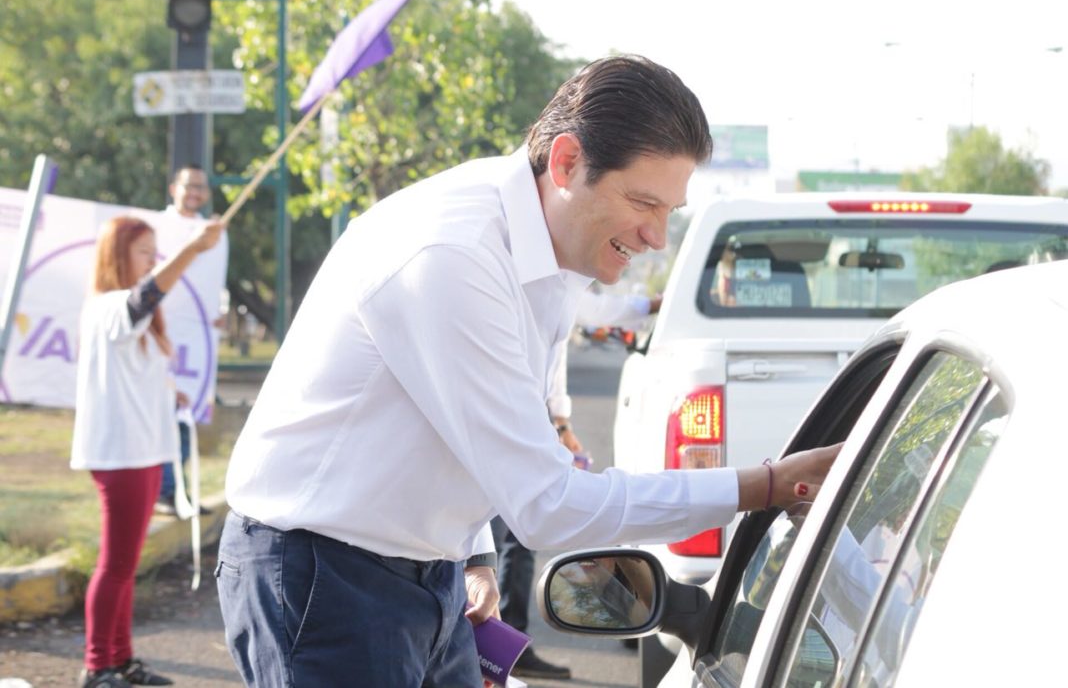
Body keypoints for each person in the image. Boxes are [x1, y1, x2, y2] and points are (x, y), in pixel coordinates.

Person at [218, 54, 840, 687]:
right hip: (324, 576)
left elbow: (477, 429)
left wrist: (475, 550)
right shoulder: (454, 255)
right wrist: (762, 486)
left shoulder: (553, 235)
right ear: (567, 162)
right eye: (643, 203)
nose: (656, 237)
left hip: (423, 568)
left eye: (669, 212)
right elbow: (545, 503)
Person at [71, 215, 225, 688]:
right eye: (143, 251)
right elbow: (145, 298)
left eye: (155, 251)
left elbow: (135, 367)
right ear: (117, 255)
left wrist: (170, 394)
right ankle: (98, 666)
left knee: (123, 565)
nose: (151, 261)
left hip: (139, 452)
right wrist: (194, 250)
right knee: (115, 565)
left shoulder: (123, 314)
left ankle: (120, 660)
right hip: (121, 455)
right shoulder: (110, 306)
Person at [494, 289, 662, 680]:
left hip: (531, 418)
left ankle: (499, 649)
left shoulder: (553, 278)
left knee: (506, 541)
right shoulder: (535, 276)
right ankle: (504, 650)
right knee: (513, 539)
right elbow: (592, 313)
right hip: (519, 420)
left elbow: (567, 341)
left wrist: (561, 421)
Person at [153, 163, 224, 516]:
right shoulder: (157, 227)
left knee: (185, 415)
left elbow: (211, 283)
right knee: (164, 413)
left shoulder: (215, 233)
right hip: (162, 333)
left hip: (196, 341)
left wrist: (217, 313)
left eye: (201, 186)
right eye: (188, 185)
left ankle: (177, 490)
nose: (195, 192)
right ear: (173, 189)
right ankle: (166, 489)